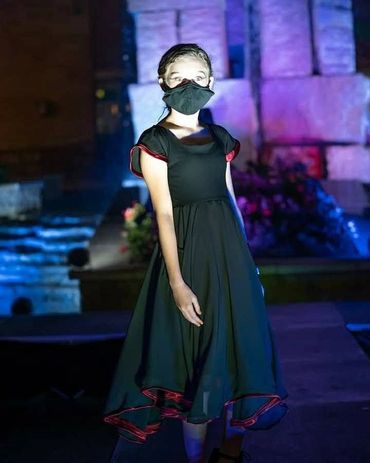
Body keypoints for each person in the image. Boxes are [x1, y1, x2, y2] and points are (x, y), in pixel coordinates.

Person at [103, 43, 288, 463]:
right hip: (187, 259)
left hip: (230, 259)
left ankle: (230, 454)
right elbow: (163, 215)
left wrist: (250, 267)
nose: (189, 84)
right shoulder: (155, 142)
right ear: (163, 81)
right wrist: (177, 282)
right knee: (198, 367)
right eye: (179, 77)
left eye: (198, 78)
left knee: (243, 354)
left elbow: (230, 199)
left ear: (210, 83)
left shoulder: (221, 137)